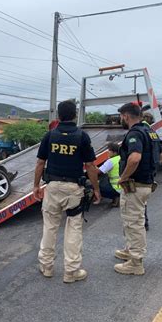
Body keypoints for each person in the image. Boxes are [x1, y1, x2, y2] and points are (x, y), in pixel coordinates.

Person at [33, 100, 101, 283]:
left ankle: (46, 266)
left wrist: (35, 186)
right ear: (74, 114)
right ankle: (71, 271)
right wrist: (96, 188)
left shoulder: (50, 136)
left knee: (50, 227)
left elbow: (40, 163)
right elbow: (90, 165)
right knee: (73, 228)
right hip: (73, 189)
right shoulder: (82, 136)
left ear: (59, 115)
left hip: (53, 187)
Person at [114, 102, 161, 275]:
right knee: (134, 220)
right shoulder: (151, 132)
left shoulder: (135, 133)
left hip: (135, 185)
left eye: (121, 116)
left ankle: (135, 262)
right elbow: (159, 156)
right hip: (146, 183)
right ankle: (130, 250)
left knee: (133, 223)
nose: (121, 119)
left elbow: (134, 158)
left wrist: (123, 177)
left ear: (126, 116)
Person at [97, 142, 122, 207]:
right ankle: (117, 197)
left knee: (94, 185)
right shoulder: (121, 158)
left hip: (116, 188)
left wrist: (91, 165)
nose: (108, 152)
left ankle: (115, 196)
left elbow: (98, 171)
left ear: (115, 152)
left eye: (109, 151)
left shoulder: (111, 161)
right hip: (125, 187)